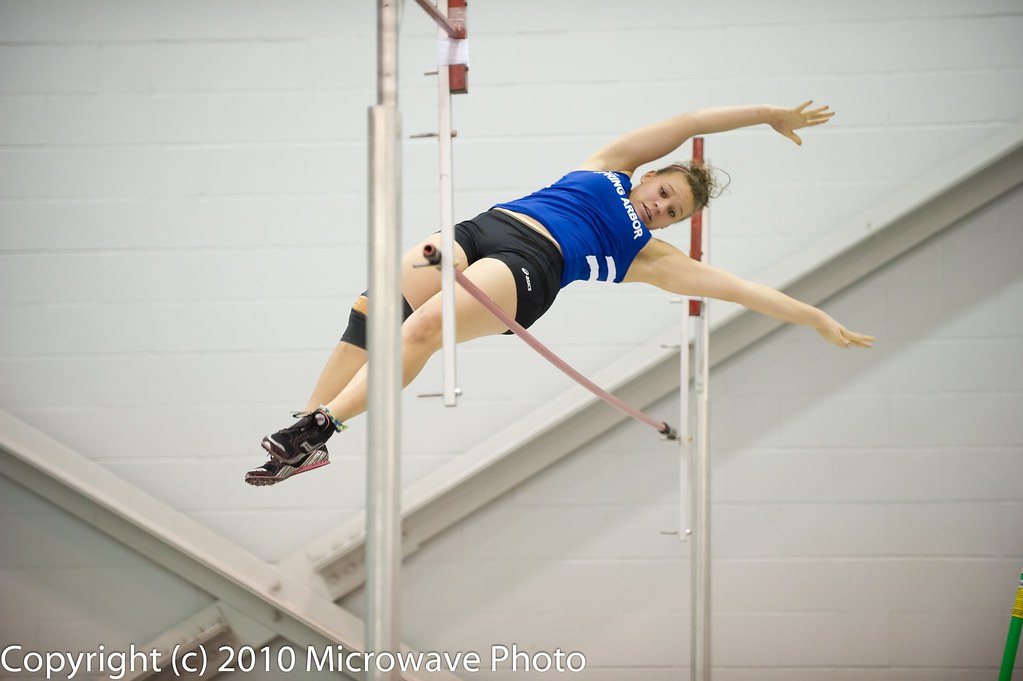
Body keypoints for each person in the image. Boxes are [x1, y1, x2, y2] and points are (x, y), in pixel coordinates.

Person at [245, 101, 875, 486]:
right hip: (485, 227)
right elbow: (691, 122)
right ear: (651, 172)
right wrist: (767, 115)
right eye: (663, 194)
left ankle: (324, 426)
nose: (660, 208)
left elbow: (739, 289)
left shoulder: (647, 255)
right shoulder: (610, 166)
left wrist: (813, 316)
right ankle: (302, 432)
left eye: (673, 213)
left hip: (530, 268)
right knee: (374, 308)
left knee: (421, 330)